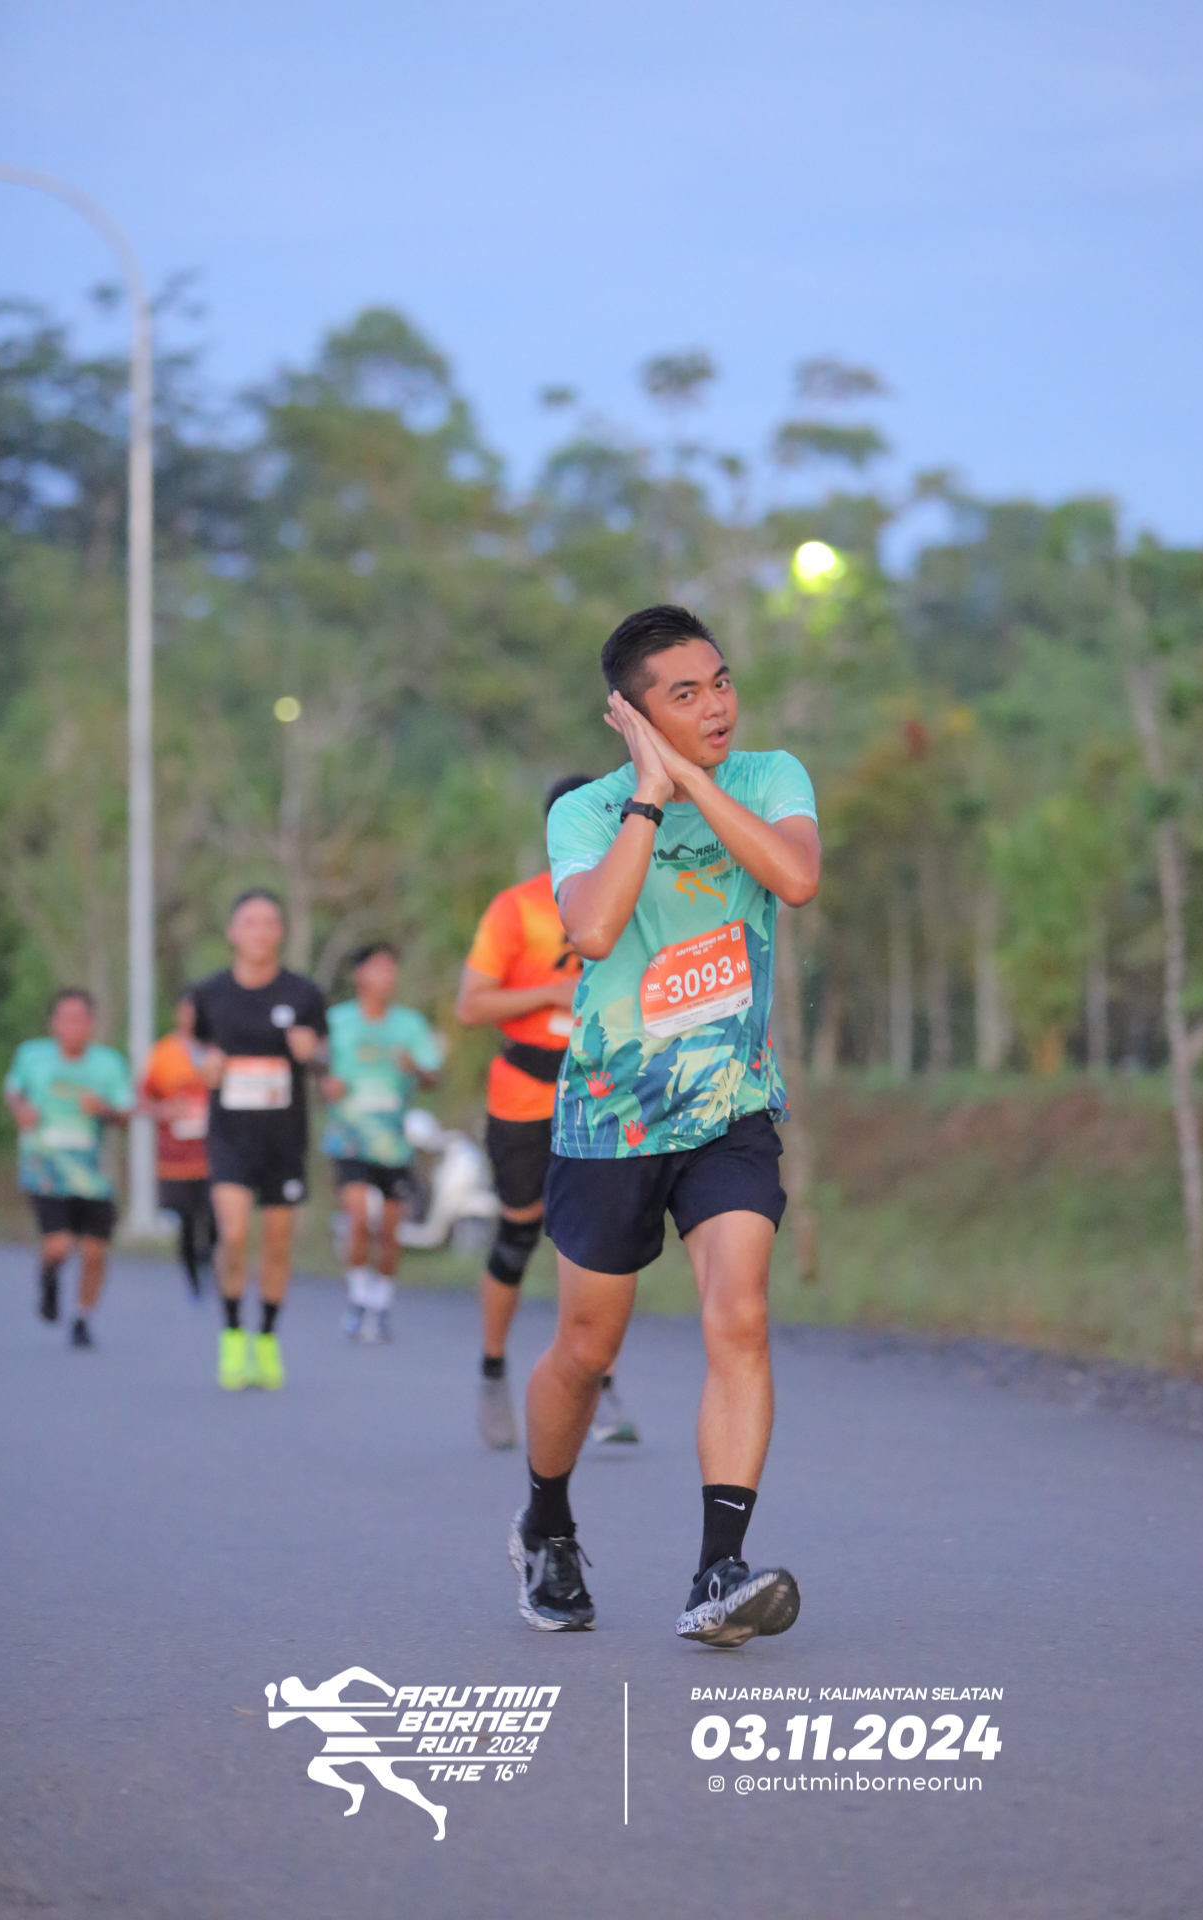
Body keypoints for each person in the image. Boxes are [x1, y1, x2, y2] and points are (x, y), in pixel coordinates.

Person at [507, 604, 820, 1647]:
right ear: (631, 713)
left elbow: (793, 877)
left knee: (740, 1316)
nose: (717, 705)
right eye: (684, 695)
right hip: (611, 1119)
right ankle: (546, 1524)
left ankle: (717, 1572)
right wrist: (652, 790)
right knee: (586, 1349)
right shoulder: (588, 812)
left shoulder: (770, 778)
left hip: (730, 1108)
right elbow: (593, 929)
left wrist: (693, 776)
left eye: (720, 682)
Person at [457, 776, 640, 1453]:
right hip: (525, 1095)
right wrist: (552, 994)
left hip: (602, 1094)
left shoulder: (638, 896)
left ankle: (600, 1385)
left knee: (598, 1245)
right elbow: (471, 1006)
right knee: (519, 1235)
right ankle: (492, 1370)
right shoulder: (519, 909)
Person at [192, 890, 328, 1390]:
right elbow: (193, 1045)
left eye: (270, 922)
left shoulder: (304, 993)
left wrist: (312, 1054)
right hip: (230, 1134)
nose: (260, 932)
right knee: (232, 1235)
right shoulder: (210, 992)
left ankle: (266, 1339)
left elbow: (325, 1058)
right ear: (232, 932)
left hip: (284, 1137)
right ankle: (232, 1334)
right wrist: (202, 1064)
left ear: (281, 932)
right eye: (250, 922)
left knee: (276, 1243)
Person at [321, 941, 443, 1343]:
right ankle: (358, 1297)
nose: (386, 977)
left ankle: (382, 1301)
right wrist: (326, 1085)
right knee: (359, 1218)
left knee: (390, 1231)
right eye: (378, 969)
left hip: (393, 1145)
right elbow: (317, 1068)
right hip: (350, 1139)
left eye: (391, 970)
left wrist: (417, 1069)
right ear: (359, 974)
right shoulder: (336, 1022)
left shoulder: (409, 1026)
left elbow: (432, 1076)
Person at [3, 988, 134, 1349]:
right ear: (53, 1023)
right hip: (46, 1167)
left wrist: (103, 1110)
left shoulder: (108, 1064)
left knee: (94, 1251)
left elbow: (125, 1115)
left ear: (91, 1024)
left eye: (80, 1019)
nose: (73, 1027)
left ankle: (82, 1317)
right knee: (59, 1244)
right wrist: (22, 1110)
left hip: (92, 1175)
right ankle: (49, 1277)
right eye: (66, 1019)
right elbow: (13, 1090)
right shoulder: (32, 1056)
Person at [139, 990, 215, 1296]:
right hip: (177, 1156)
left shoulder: (219, 1049)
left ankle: (209, 1259)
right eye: (187, 1011)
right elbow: (144, 1100)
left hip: (215, 1153)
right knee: (186, 1219)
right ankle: (192, 1273)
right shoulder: (163, 1053)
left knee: (216, 1216)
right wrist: (164, 1111)